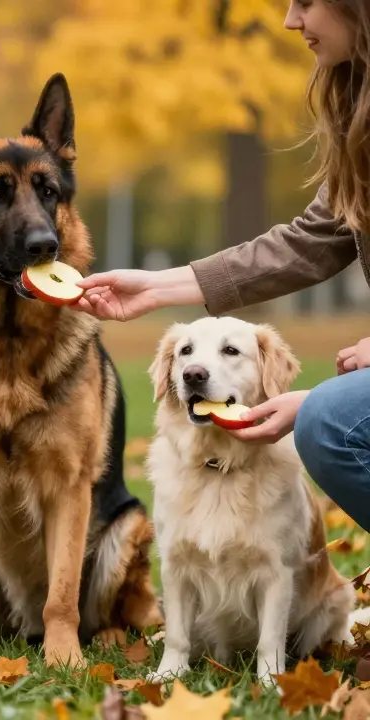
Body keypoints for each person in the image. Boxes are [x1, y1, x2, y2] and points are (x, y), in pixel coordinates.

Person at [72, 0, 370, 528]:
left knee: (328, 420)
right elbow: (309, 242)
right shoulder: (359, 119)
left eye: (306, 3)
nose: (290, 21)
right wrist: (158, 288)